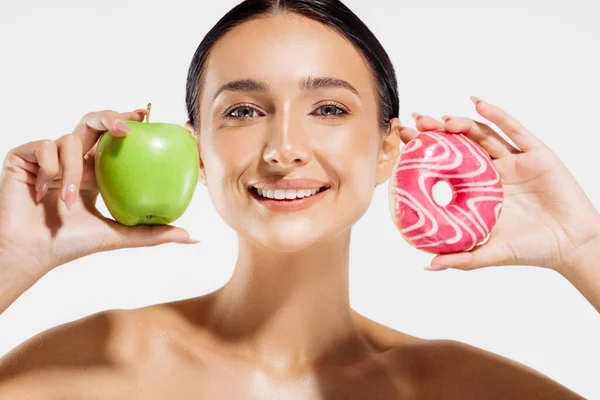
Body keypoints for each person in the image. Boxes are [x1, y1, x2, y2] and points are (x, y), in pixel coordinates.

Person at [0, 0, 597, 398]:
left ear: (389, 150)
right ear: (197, 150)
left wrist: (584, 248)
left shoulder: (464, 388)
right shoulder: (88, 370)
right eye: (242, 111)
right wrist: (9, 257)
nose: (283, 148)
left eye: (330, 109)